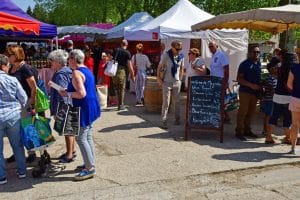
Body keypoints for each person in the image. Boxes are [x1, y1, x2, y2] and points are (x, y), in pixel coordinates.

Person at [59, 49, 100, 181]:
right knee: (87, 136)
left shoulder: (76, 72)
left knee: (81, 138)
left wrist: (67, 94)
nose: (67, 61)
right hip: (91, 106)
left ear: (73, 59)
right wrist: (69, 91)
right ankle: (90, 163)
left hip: (83, 107)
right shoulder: (86, 70)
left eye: (69, 59)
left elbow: (81, 93)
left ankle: (89, 168)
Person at [6, 44, 37, 163]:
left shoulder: (25, 68)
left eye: (10, 54)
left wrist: (31, 104)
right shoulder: (11, 68)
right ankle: (17, 152)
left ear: (16, 55)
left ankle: (31, 152)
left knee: (27, 128)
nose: (7, 56)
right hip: (14, 104)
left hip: (25, 104)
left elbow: (33, 88)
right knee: (15, 131)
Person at [0, 54, 27, 185]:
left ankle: (2, 176)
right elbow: (24, 98)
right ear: (3, 66)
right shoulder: (13, 80)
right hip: (13, 116)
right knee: (17, 145)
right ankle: (22, 171)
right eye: (8, 65)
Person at [48, 49, 75, 163]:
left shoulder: (60, 74)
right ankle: (71, 152)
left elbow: (63, 91)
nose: (51, 63)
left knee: (67, 131)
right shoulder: (68, 70)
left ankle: (69, 155)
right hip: (70, 104)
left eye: (52, 61)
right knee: (70, 131)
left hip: (64, 105)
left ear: (58, 61)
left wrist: (52, 84)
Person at [235, 46, 262, 141]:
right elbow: (239, 78)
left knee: (251, 112)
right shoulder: (244, 64)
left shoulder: (258, 63)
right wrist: (251, 85)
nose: (256, 54)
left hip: (255, 93)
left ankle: (247, 130)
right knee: (243, 112)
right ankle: (239, 131)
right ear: (249, 52)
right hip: (245, 92)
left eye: (258, 52)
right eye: (254, 52)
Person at [157, 40, 184, 129]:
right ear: (172, 47)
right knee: (166, 102)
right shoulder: (166, 55)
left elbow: (182, 69)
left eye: (180, 48)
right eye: (177, 48)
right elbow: (159, 67)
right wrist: (159, 78)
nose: (179, 50)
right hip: (167, 82)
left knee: (177, 102)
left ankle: (177, 119)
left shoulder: (181, 56)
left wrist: (180, 79)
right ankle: (164, 121)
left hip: (176, 82)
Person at [268, 50, 294, 146]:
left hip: (277, 95)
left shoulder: (280, 67)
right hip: (288, 96)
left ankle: (268, 136)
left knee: (274, 116)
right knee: (288, 118)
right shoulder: (292, 68)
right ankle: (288, 138)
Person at [208, 41, 230, 122]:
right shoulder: (213, 56)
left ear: (216, 46)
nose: (210, 48)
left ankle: (225, 117)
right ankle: (225, 117)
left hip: (221, 82)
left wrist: (225, 82)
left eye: (212, 46)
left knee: (221, 101)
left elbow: (226, 68)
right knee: (219, 101)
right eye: (209, 47)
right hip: (214, 83)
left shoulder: (221, 55)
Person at [113, 39, 135, 110]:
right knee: (122, 88)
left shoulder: (116, 50)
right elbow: (129, 65)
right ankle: (121, 105)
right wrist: (132, 74)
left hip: (114, 71)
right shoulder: (127, 53)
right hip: (122, 71)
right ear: (127, 45)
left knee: (117, 88)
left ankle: (118, 103)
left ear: (121, 44)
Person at [287, 49, 300, 154]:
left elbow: (289, 84)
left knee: (295, 124)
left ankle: (293, 148)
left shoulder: (294, 67)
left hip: (295, 98)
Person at [261, 61, 278, 143]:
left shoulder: (274, 77)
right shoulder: (270, 77)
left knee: (268, 115)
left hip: (270, 99)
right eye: (275, 67)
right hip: (270, 99)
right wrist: (276, 96)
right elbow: (271, 89)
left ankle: (266, 130)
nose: (276, 68)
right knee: (268, 116)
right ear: (270, 69)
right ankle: (267, 131)